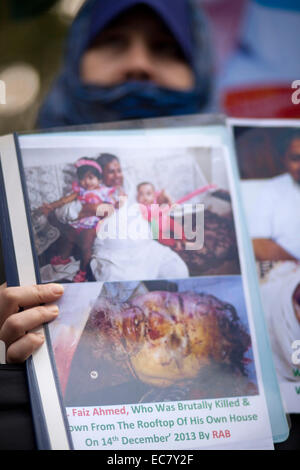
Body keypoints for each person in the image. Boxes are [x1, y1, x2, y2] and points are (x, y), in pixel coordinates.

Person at [0, 0, 212, 449]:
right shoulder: (8, 207)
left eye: (165, 48)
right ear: (76, 58)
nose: (138, 64)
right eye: (114, 42)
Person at [40, 157, 119, 282]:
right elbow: (64, 200)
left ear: (99, 179)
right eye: (83, 178)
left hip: (94, 224)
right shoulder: (79, 191)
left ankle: (83, 271)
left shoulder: (104, 192)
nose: (86, 182)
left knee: (86, 247)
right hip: (80, 222)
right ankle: (64, 258)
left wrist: (116, 204)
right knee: (69, 237)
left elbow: (112, 206)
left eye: (91, 177)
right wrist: (50, 207)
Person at [252, 130, 300, 261]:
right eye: (296, 159)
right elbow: (258, 243)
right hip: (289, 271)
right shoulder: (271, 189)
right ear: (284, 160)